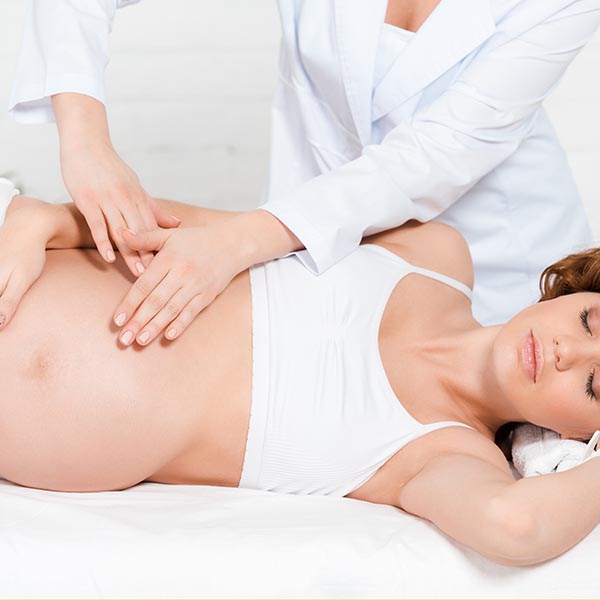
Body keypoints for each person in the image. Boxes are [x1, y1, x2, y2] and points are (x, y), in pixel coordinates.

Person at [1, 190, 600, 567]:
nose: (565, 351)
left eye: (596, 386)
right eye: (590, 320)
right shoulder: (432, 254)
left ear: (582, 434)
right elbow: (202, 226)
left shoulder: (446, 456)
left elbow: (517, 526)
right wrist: (46, 223)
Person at [6, 0, 600, 343]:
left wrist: (235, 242)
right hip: (308, 249)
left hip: (500, 273)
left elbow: (436, 154)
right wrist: (85, 142)